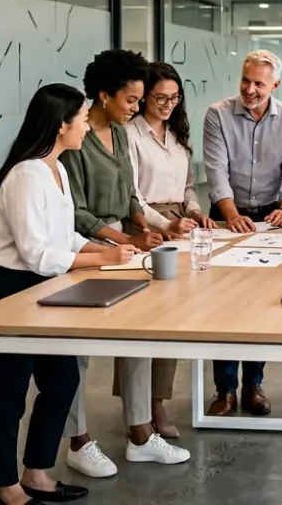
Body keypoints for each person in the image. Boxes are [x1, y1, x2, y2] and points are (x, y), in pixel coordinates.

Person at [0, 83, 136, 505]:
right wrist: (102, 261)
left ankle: (37, 474)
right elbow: (36, 254)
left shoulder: (58, 168)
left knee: (61, 380)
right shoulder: (26, 174)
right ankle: (6, 489)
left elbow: (64, 234)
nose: (87, 126)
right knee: (9, 394)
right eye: (82, 119)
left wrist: (109, 250)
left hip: (48, 286)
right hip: (11, 289)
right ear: (60, 125)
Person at [61, 50, 190, 478]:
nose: (136, 109)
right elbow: (77, 211)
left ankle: (139, 434)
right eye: (131, 100)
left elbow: (131, 196)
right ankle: (78, 442)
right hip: (88, 250)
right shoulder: (76, 140)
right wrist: (124, 238)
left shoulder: (118, 134)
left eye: (138, 100)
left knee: (140, 333)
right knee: (77, 350)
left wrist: (155, 227)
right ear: (103, 95)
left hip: (123, 247)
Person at [202, 49, 282, 417]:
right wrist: (232, 216)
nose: (249, 89)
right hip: (225, 216)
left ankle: (253, 385)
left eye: (258, 84)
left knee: (260, 305)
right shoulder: (217, 114)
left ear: (274, 85)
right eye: (245, 81)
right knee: (224, 306)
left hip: (270, 218)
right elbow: (215, 173)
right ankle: (224, 390)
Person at [125, 61, 217, 440]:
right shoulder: (129, 134)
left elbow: (188, 185)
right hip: (146, 227)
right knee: (139, 324)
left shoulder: (178, 134)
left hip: (180, 225)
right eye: (160, 98)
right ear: (144, 96)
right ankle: (139, 411)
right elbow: (130, 195)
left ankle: (158, 401)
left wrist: (195, 211)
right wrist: (165, 224)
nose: (167, 105)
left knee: (170, 321)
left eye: (174, 98)